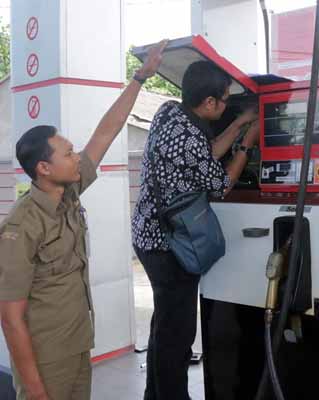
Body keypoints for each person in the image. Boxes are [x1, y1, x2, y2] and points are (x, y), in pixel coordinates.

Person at [0, 41, 167, 400]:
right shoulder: (21, 226)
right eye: (68, 153)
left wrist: (139, 78)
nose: (77, 157)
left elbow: (105, 133)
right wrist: (36, 391)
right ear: (44, 168)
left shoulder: (69, 195)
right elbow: (11, 319)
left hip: (76, 345)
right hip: (45, 359)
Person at [131, 60, 260, 400]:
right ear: (209, 104)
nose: (227, 105)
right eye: (225, 100)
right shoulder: (189, 138)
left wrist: (241, 121)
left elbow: (203, 154)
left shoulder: (167, 112)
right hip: (170, 245)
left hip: (146, 235)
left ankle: (154, 396)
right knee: (178, 334)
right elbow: (220, 183)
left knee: (164, 325)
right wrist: (248, 141)